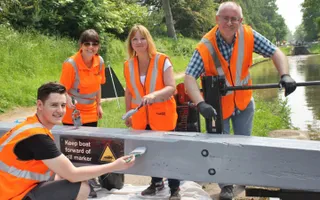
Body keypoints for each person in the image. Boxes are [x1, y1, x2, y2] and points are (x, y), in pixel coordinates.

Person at [184, 2, 296, 200]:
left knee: (244, 142)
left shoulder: (248, 35)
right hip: (217, 106)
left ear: (240, 21)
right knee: (221, 147)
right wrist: (201, 103)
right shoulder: (205, 45)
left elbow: (275, 52)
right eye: (225, 18)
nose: (230, 22)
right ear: (217, 19)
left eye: (234, 18)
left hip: (244, 102)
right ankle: (226, 185)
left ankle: (243, 176)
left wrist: (285, 75)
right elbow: (189, 77)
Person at [0, 82, 135, 200]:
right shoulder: (37, 137)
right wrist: (114, 166)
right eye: (54, 105)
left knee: (62, 177)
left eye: (63, 105)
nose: (60, 111)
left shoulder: (30, 126)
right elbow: (73, 175)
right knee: (82, 187)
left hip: (11, 191)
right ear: (39, 105)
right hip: (13, 196)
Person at [123, 24, 181, 200]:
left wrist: (154, 95)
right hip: (140, 117)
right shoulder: (128, 65)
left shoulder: (163, 60)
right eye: (135, 39)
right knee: (147, 152)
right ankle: (156, 183)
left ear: (148, 40)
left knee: (168, 154)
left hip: (162, 115)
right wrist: (128, 113)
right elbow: (129, 91)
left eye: (142, 38)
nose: (139, 42)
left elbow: (171, 88)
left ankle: (175, 188)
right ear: (131, 43)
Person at [59, 29, 106, 197]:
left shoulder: (99, 61)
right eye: (87, 44)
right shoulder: (70, 64)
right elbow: (62, 89)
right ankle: (76, 183)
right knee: (76, 150)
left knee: (90, 148)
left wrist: (99, 105)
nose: (91, 47)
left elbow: (99, 85)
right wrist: (68, 100)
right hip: (73, 114)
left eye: (94, 44)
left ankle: (90, 181)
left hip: (92, 111)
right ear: (81, 45)